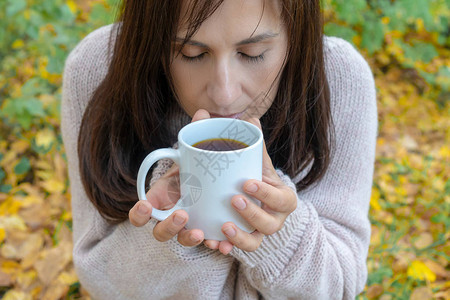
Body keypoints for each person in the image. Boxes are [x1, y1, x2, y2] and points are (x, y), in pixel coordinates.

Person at [61, 0, 377, 299]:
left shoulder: (338, 78)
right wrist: (175, 217)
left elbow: (341, 285)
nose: (224, 94)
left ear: (296, 37)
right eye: (191, 53)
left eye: (253, 53)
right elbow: (98, 277)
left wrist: (277, 233)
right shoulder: (99, 68)